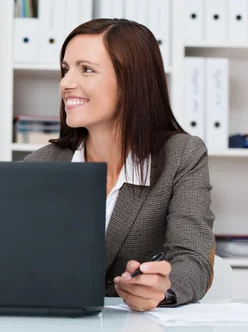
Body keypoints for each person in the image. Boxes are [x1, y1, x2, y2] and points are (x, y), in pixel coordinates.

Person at [24, 18, 215, 311]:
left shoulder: (182, 156)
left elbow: (193, 258)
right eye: (65, 70)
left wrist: (162, 288)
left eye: (86, 69)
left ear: (131, 82)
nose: (66, 83)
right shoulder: (40, 165)